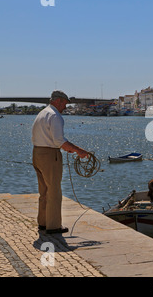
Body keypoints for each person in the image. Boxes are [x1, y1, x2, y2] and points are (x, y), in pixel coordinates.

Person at [31, 90, 89, 234]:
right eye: (64, 103)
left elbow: (52, 140)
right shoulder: (55, 115)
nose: (65, 107)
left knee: (44, 191)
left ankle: (43, 223)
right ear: (58, 101)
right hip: (50, 156)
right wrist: (78, 150)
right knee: (54, 191)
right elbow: (59, 141)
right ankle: (54, 226)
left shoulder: (43, 113)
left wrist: (66, 147)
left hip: (37, 153)